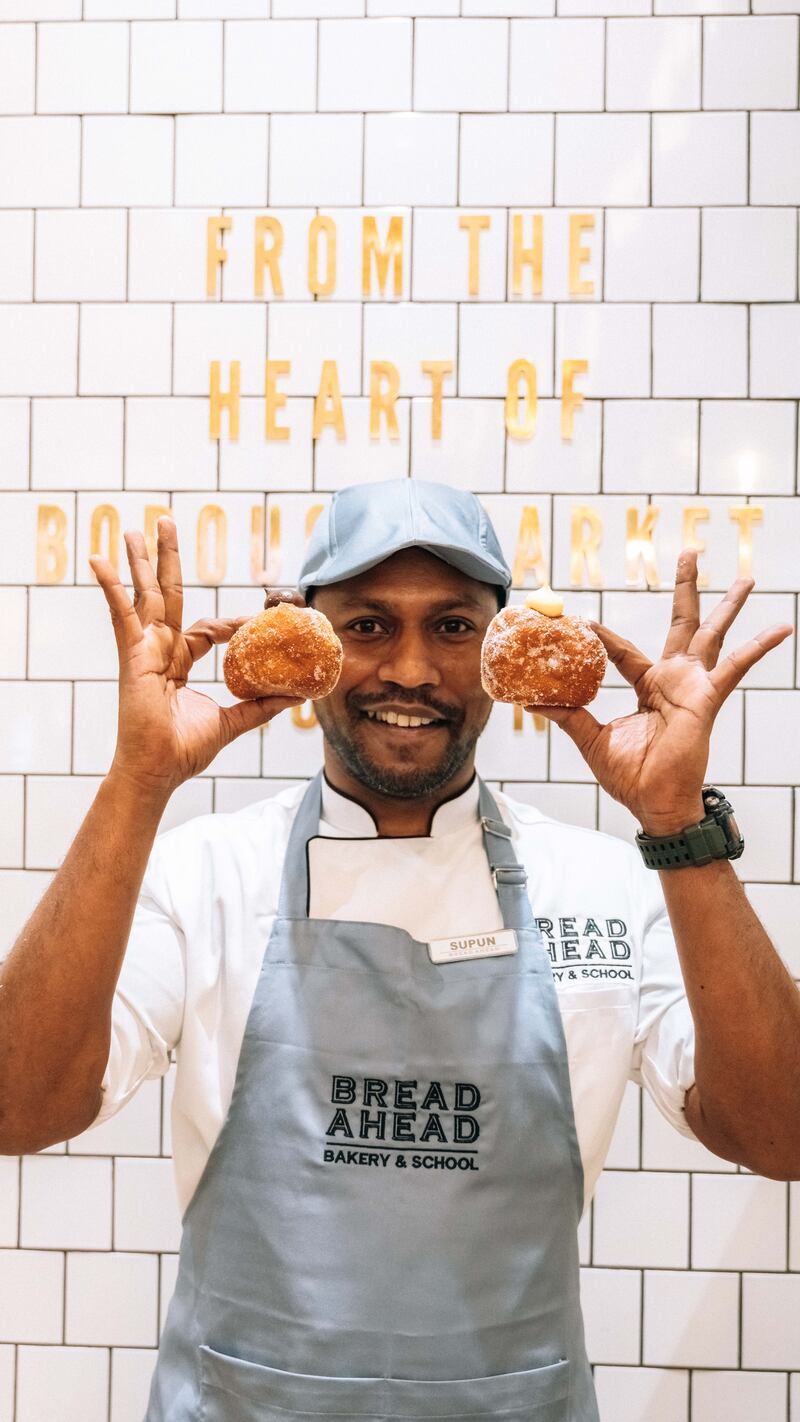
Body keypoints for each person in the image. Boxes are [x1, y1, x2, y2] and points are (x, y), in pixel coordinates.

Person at [2, 478, 799, 1422]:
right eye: (369, 626)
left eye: (454, 627)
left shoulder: (606, 885)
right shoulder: (203, 873)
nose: (413, 671)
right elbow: (19, 1110)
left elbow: (779, 1137)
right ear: (308, 646)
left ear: (502, 651)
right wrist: (139, 782)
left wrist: (676, 823)